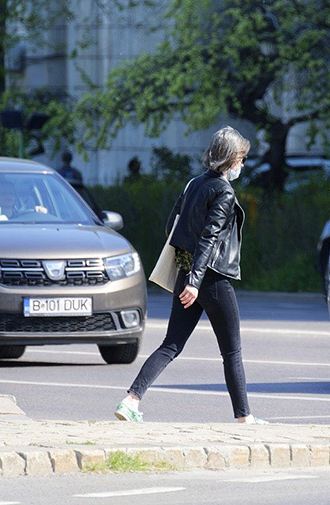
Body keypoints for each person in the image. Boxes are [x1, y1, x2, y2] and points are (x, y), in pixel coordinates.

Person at [114, 126, 265, 424]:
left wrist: (189, 278)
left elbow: (172, 226)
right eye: (242, 159)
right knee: (232, 351)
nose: (243, 165)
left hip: (186, 274)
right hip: (211, 279)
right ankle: (245, 419)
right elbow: (210, 238)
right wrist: (197, 282)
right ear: (231, 159)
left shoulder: (193, 184)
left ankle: (130, 401)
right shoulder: (223, 191)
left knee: (171, 344)